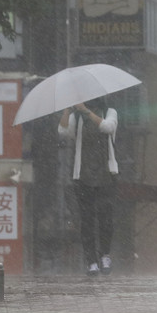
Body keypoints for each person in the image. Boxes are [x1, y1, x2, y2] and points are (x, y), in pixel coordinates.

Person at [58, 97, 119, 276]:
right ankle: (91, 261)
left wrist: (86, 111)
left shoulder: (110, 112)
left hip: (106, 173)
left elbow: (108, 127)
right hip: (83, 174)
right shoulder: (77, 118)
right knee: (87, 220)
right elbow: (62, 131)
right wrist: (67, 111)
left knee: (105, 217)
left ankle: (105, 255)